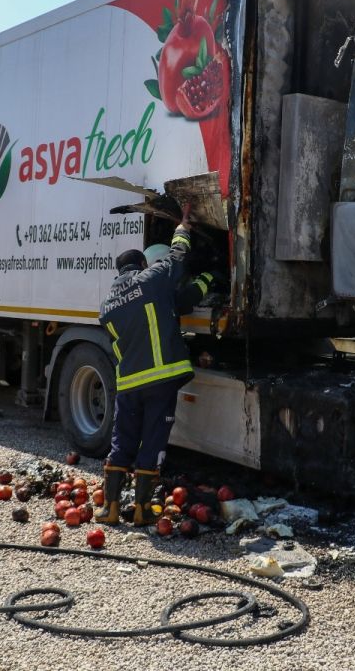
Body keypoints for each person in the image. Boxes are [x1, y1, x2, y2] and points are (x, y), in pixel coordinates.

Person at [94, 206, 211, 526]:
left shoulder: (106, 306)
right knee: (153, 440)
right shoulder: (153, 278)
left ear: (119, 273)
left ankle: (111, 508)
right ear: (142, 264)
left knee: (123, 441)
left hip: (128, 384)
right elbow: (177, 256)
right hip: (160, 380)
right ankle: (143, 510)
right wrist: (183, 227)